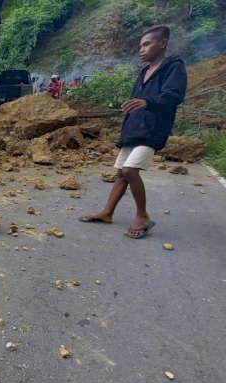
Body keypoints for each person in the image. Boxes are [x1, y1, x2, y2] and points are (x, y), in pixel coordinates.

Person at [80, 25, 187, 239]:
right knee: (121, 173)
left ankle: (142, 215)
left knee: (130, 171)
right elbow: (134, 103)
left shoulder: (173, 67)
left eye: (147, 44)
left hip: (152, 130)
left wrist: (147, 102)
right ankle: (108, 212)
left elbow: (174, 96)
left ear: (163, 43)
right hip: (133, 129)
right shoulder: (143, 73)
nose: (141, 49)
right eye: (140, 45)